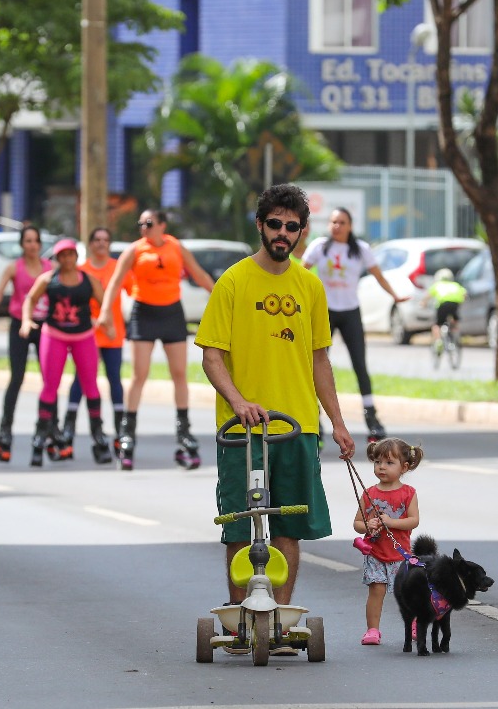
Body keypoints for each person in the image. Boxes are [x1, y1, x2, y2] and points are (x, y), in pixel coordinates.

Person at [195, 184, 356, 657]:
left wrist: (338, 423)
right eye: (275, 224)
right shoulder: (233, 282)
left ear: (301, 232)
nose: (283, 233)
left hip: (297, 426)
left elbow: (320, 361)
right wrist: (239, 401)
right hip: (241, 432)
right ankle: (240, 619)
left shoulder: (309, 286)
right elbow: (211, 357)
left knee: (286, 527)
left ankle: (281, 624)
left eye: (292, 227)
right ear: (261, 225)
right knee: (242, 526)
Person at [97, 209, 215, 470]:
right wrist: (106, 312)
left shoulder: (176, 246)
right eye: (140, 224)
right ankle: (127, 433)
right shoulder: (135, 250)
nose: (144, 228)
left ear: (162, 225)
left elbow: (198, 273)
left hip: (172, 312)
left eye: (149, 223)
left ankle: (184, 432)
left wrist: (220, 296)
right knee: (139, 374)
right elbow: (115, 283)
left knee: (179, 374)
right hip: (144, 312)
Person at [301, 207, 405, 443]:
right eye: (333, 221)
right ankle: (313, 419)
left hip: (350, 312)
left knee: (360, 365)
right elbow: (299, 274)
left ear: (350, 226)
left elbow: (379, 276)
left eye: (342, 222)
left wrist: (395, 296)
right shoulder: (319, 246)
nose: (337, 226)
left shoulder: (361, 250)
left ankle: (372, 420)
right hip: (324, 313)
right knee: (315, 365)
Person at [18, 239, 107, 467]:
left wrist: (106, 320)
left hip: (83, 336)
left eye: (70, 255)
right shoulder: (49, 279)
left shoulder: (88, 280)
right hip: (54, 335)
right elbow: (30, 299)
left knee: (91, 385)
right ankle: (40, 437)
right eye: (62, 255)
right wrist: (27, 320)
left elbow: (105, 301)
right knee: (50, 386)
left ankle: (98, 436)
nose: (67, 259)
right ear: (56, 259)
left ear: (76, 257)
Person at [0, 225, 51, 462]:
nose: (32, 245)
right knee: (17, 378)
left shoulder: (50, 268)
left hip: (45, 326)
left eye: (36, 240)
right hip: (20, 325)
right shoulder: (13, 268)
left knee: (50, 380)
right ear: (22, 245)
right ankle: (5, 432)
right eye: (28, 241)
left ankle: (50, 429)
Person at [61, 227, 132, 463]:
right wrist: (92, 320)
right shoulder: (81, 271)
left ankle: (120, 432)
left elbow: (135, 290)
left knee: (114, 380)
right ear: (90, 244)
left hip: (113, 335)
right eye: (97, 240)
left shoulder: (117, 268)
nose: (101, 244)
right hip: (87, 335)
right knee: (81, 381)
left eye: (105, 240)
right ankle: (67, 432)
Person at [352, 437, 423, 646]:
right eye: (377, 462)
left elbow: (414, 521)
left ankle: (414, 624)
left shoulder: (408, 493)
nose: (382, 467)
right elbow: (357, 523)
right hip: (375, 553)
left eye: (389, 463)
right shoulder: (369, 493)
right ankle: (372, 630)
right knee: (376, 590)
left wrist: (391, 522)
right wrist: (368, 525)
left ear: (405, 467)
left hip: (399, 555)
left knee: (407, 593)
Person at [425, 268, 466, 351]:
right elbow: (464, 294)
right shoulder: (456, 285)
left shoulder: (437, 285)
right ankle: (455, 336)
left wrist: (423, 303)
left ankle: (438, 341)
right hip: (455, 304)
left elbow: (428, 296)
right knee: (455, 320)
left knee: (437, 324)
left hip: (442, 305)